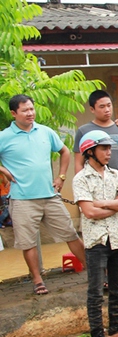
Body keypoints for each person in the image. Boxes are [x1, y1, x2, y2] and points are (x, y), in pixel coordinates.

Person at [0, 95, 86, 295]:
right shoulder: (4, 136)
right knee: (27, 242)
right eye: (25, 110)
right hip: (22, 199)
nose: (30, 113)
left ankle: (94, 271)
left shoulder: (45, 132)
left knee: (70, 233)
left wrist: (61, 177)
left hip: (49, 196)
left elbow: (65, 151)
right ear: (14, 113)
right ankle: (38, 280)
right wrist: (2, 170)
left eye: (32, 109)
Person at [72, 131, 118, 337]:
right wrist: (114, 204)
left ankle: (116, 330)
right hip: (96, 241)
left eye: (110, 148)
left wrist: (103, 204)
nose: (109, 152)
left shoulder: (115, 174)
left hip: (117, 239)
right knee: (96, 292)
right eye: (104, 149)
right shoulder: (81, 178)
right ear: (90, 152)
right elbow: (89, 212)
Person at [73, 90, 118, 279]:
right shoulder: (84, 131)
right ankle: (104, 272)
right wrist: (83, 188)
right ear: (92, 109)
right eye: (101, 107)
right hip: (95, 188)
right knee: (101, 230)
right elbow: (78, 163)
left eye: (109, 105)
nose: (107, 110)